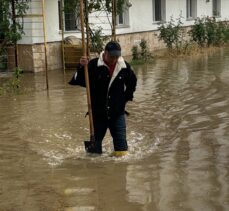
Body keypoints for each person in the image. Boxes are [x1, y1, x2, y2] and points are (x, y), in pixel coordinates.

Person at [69, 41, 137, 156]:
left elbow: (132, 82)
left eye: (116, 57)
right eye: (111, 56)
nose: (114, 60)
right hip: (98, 113)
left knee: (122, 151)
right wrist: (81, 67)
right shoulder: (93, 65)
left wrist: (124, 99)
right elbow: (78, 81)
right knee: (94, 154)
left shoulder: (124, 66)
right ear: (105, 53)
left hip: (117, 113)